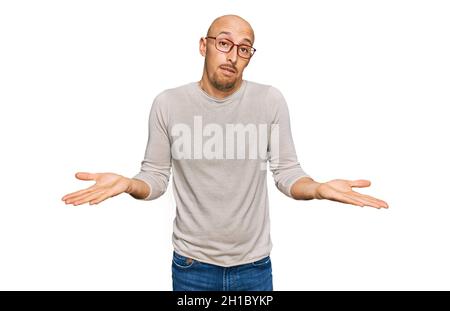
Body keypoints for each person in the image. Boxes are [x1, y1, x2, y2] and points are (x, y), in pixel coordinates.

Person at [61, 14, 388, 291]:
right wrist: (131, 184)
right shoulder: (168, 104)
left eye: (243, 49)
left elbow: (287, 173)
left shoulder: (270, 101)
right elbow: (156, 178)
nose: (232, 55)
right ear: (204, 46)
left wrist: (317, 189)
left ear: (249, 57)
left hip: (254, 267)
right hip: (191, 267)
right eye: (224, 43)